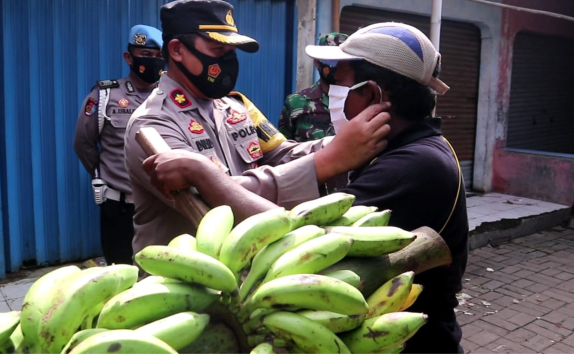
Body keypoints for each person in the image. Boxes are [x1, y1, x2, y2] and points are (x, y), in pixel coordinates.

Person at [146, 22, 468, 353]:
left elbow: (305, 246)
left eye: (336, 80)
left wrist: (205, 175)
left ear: (372, 93)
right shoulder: (395, 150)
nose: (327, 91)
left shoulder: (414, 166)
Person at [124, 0, 391, 255]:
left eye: (231, 52)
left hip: (244, 269)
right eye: (218, 50)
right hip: (179, 283)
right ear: (177, 50)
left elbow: (281, 155)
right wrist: (325, 162)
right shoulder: (152, 126)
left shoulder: (234, 107)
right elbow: (211, 202)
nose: (228, 60)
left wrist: (337, 144)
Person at [73, 24, 164, 265]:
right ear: (128, 57)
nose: (153, 62)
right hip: (120, 207)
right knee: (121, 272)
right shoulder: (105, 96)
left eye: (159, 57)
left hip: (163, 206)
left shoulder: (170, 97)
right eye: (146, 55)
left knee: (162, 271)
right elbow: (84, 143)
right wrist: (105, 175)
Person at [278, 32, 347, 142]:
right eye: (331, 60)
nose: (337, 66)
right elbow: (282, 150)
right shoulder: (296, 102)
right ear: (317, 62)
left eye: (342, 60)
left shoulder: (361, 102)